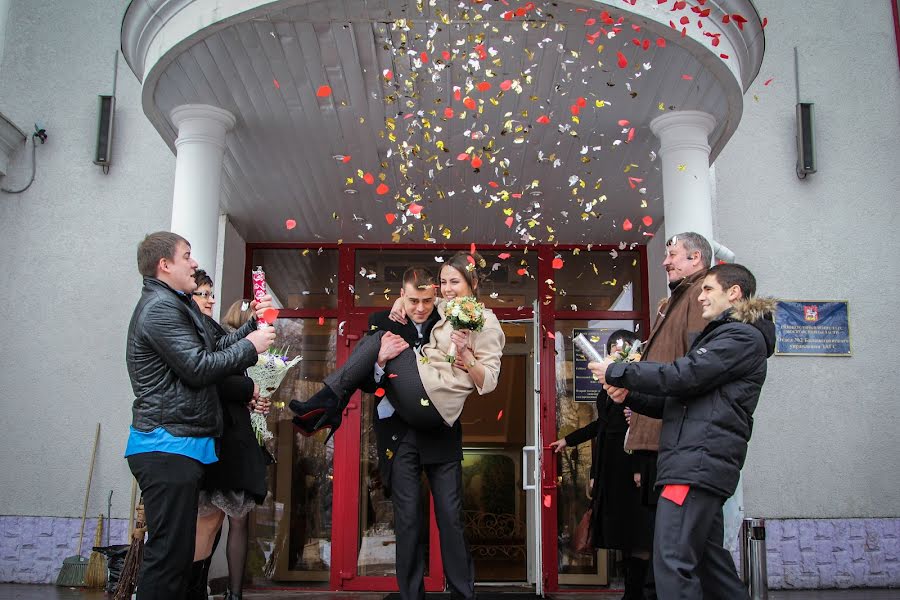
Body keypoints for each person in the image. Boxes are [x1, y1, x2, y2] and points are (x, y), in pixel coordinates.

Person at [291, 254, 505, 600]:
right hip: (402, 434)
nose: (421, 307)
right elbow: (370, 380)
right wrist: (377, 363)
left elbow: (485, 371)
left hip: (440, 428)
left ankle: (327, 402)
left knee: (450, 519)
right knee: (407, 521)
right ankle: (410, 596)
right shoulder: (388, 319)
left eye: (429, 297)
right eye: (413, 300)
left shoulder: (455, 315)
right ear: (402, 296)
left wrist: (465, 353)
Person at [592, 263, 776, 600]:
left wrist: (620, 371)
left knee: (672, 560)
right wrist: (629, 393)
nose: (700, 296)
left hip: (695, 466)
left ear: (733, 292)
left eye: (708, 289)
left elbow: (682, 375)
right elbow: (676, 398)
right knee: (711, 569)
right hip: (695, 464)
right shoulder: (727, 337)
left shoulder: (740, 337)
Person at [124, 232, 275, 600]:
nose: (194, 263)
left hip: (182, 446)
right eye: (187, 256)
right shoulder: (160, 309)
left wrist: (253, 326)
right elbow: (198, 367)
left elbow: (217, 344)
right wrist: (250, 348)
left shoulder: (178, 305)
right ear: (165, 265)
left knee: (177, 556)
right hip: (166, 445)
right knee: (168, 557)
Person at [623, 231, 712, 598]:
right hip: (661, 439)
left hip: (675, 443)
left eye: (673, 254)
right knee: (696, 552)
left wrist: (628, 379)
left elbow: (693, 371)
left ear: (696, 259)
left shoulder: (697, 295)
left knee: (673, 552)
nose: (665, 262)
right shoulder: (674, 299)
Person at [549, 329, 653, 600]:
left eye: (620, 350)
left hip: (632, 464)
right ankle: (632, 591)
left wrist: (641, 468)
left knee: (637, 531)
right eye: (612, 350)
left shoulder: (641, 383)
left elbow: (646, 428)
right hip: (611, 464)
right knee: (622, 531)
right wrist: (568, 442)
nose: (614, 355)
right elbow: (601, 426)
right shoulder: (609, 384)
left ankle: (637, 593)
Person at [186, 275, 272, 600]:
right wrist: (249, 388)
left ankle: (211, 591)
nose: (208, 299)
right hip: (215, 438)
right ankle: (191, 590)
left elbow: (225, 354)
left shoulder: (213, 331)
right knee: (206, 523)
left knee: (217, 523)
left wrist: (252, 324)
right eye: (200, 293)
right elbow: (211, 375)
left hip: (232, 435)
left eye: (211, 293)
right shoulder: (190, 332)